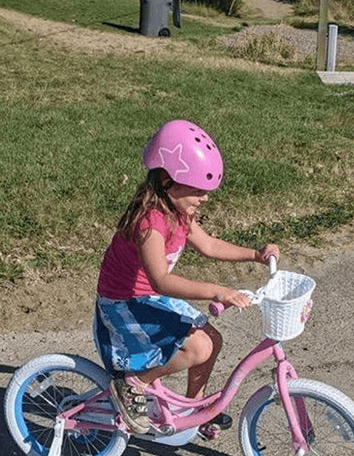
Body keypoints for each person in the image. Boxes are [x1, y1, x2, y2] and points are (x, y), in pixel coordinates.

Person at [93, 119, 279, 435]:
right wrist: (216, 291)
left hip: (146, 297)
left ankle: (195, 410)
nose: (204, 197)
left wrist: (255, 255)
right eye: (197, 188)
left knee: (213, 340)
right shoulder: (150, 223)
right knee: (198, 349)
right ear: (167, 181)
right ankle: (134, 384)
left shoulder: (179, 211)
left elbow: (208, 244)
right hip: (125, 304)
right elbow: (161, 281)